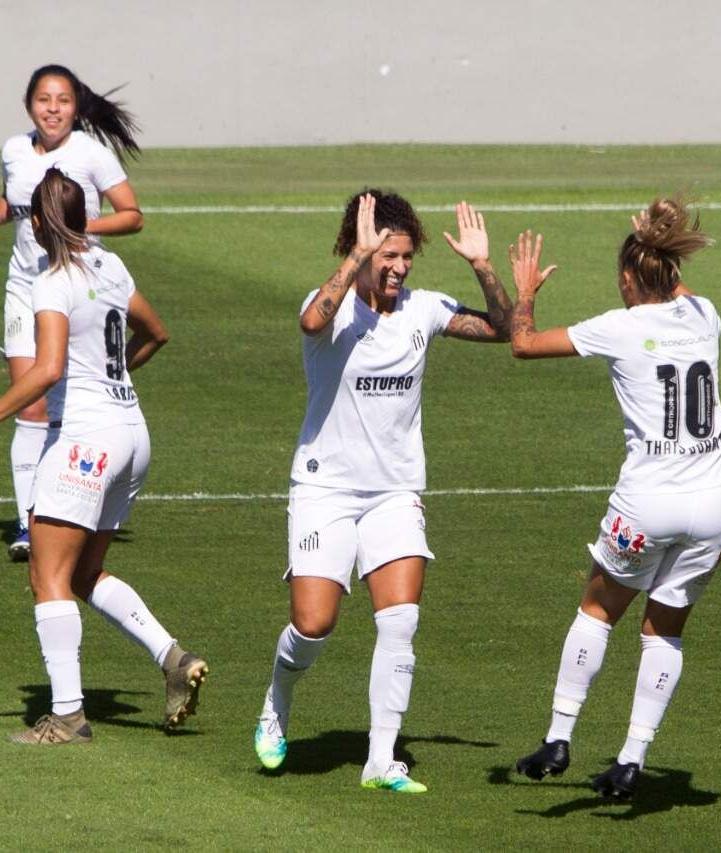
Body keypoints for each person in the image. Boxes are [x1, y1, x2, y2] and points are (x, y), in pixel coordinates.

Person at [254, 190, 513, 793]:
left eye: (406, 257)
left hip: (394, 493)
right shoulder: (333, 309)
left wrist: (482, 265)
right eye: (387, 255)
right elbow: (310, 321)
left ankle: (380, 759)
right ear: (362, 250)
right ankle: (277, 700)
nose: (398, 268)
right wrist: (355, 258)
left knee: (399, 621)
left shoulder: (424, 310)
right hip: (325, 489)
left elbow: (505, 330)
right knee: (313, 624)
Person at [509, 199, 721, 799]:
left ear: (625, 279)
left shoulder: (618, 327)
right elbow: (674, 284)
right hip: (715, 504)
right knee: (664, 631)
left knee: (597, 611)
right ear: (672, 271)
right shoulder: (705, 314)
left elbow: (524, 344)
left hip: (648, 502)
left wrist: (526, 291)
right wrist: (658, 235)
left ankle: (558, 739)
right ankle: (632, 759)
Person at [3, 169, 206, 745]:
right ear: (84, 217)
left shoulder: (50, 282)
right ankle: (172, 658)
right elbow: (156, 333)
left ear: (36, 225)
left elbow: (47, 369)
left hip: (85, 441)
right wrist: (107, 379)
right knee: (83, 574)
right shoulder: (110, 266)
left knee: (47, 576)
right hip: (131, 434)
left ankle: (67, 716)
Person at [0, 64, 144, 561]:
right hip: (25, 290)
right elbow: (14, 206)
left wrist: (79, 226)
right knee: (32, 405)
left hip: (76, 287)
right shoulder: (13, 151)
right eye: (44, 100)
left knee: (60, 403)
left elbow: (133, 215)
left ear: (75, 106)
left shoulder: (91, 153)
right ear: (29, 105)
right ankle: (28, 523)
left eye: (62, 100)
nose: (53, 109)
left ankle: (65, 505)